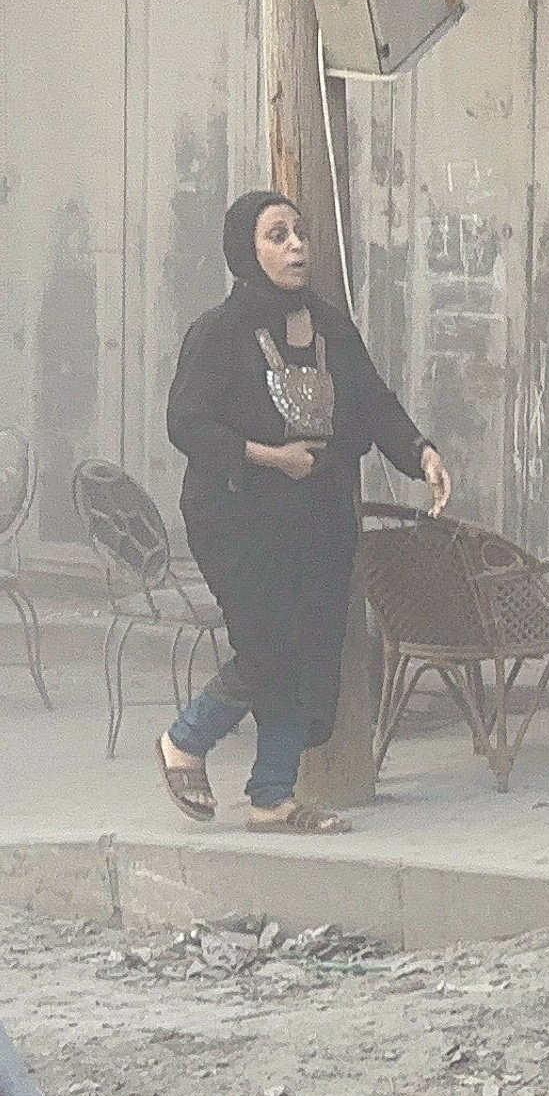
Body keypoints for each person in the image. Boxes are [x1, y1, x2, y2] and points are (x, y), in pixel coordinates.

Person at [157, 191, 450, 832]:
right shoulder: (217, 332)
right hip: (236, 517)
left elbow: (371, 400)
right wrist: (270, 456)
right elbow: (186, 423)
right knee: (267, 646)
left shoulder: (329, 325)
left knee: (311, 648)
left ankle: (273, 796)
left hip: (316, 515)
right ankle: (186, 740)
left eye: (301, 232)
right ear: (246, 250)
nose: (296, 246)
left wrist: (420, 453)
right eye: (277, 235)